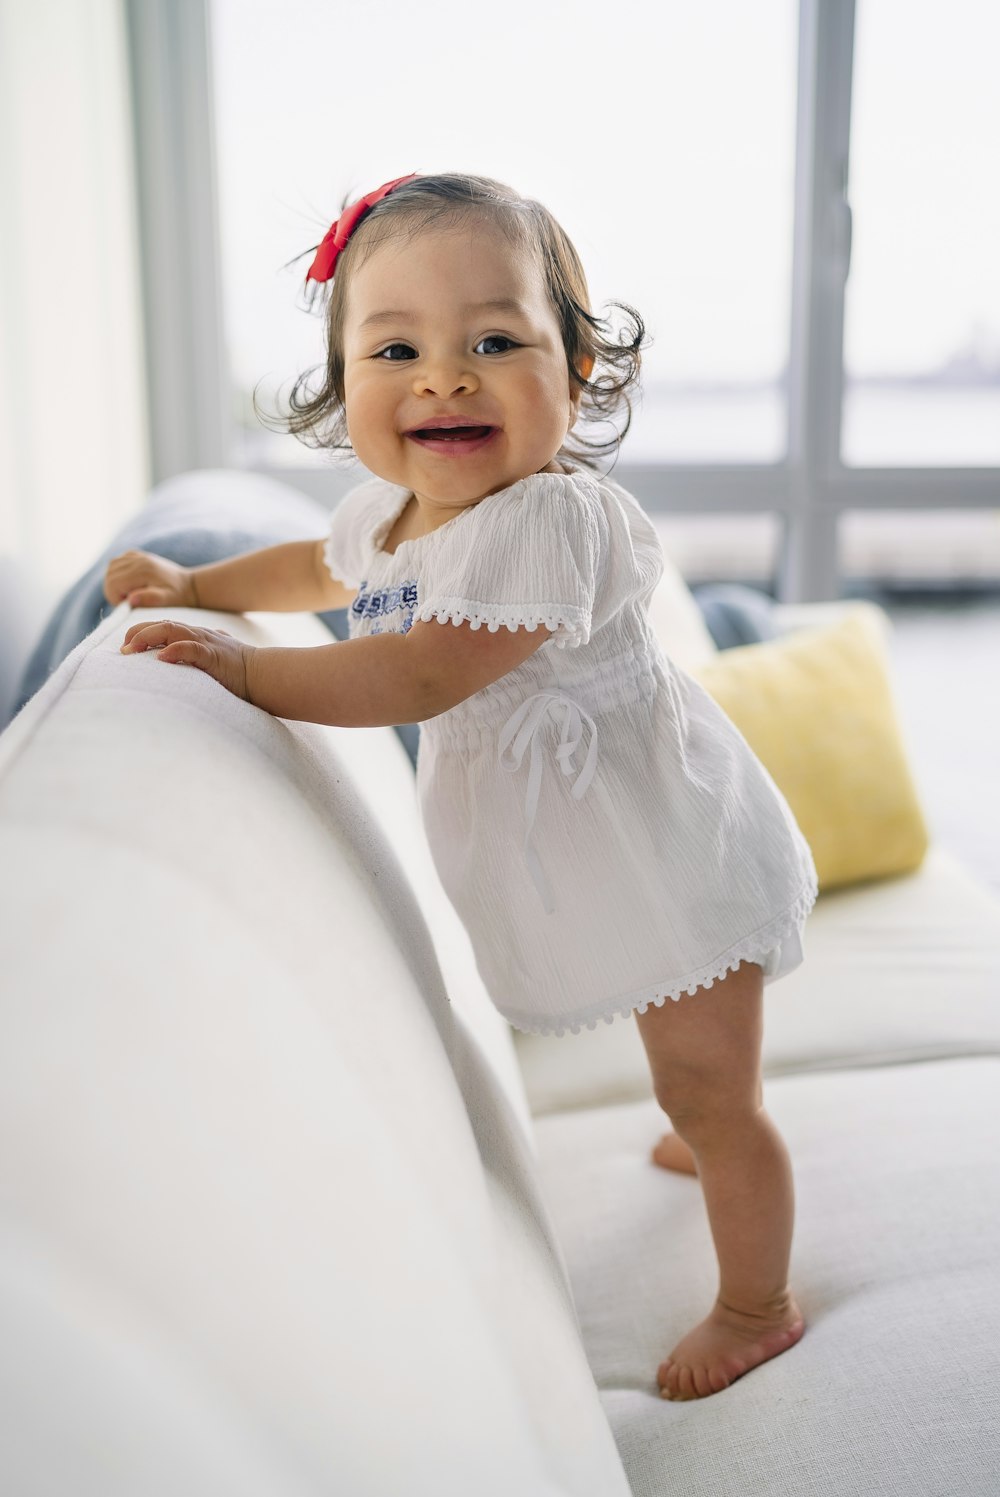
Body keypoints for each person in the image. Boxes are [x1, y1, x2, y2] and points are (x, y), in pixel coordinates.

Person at [106, 172, 818, 1402]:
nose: (444, 376)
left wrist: (245, 679)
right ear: (344, 386)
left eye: (495, 339)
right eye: (397, 347)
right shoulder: (387, 517)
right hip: (599, 853)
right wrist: (201, 586)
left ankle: (757, 1297)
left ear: (578, 368)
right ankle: (697, 1121)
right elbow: (308, 570)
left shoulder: (551, 519)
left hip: (668, 847)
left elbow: (425, 671)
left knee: (714, 1086)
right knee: (687, 1076)